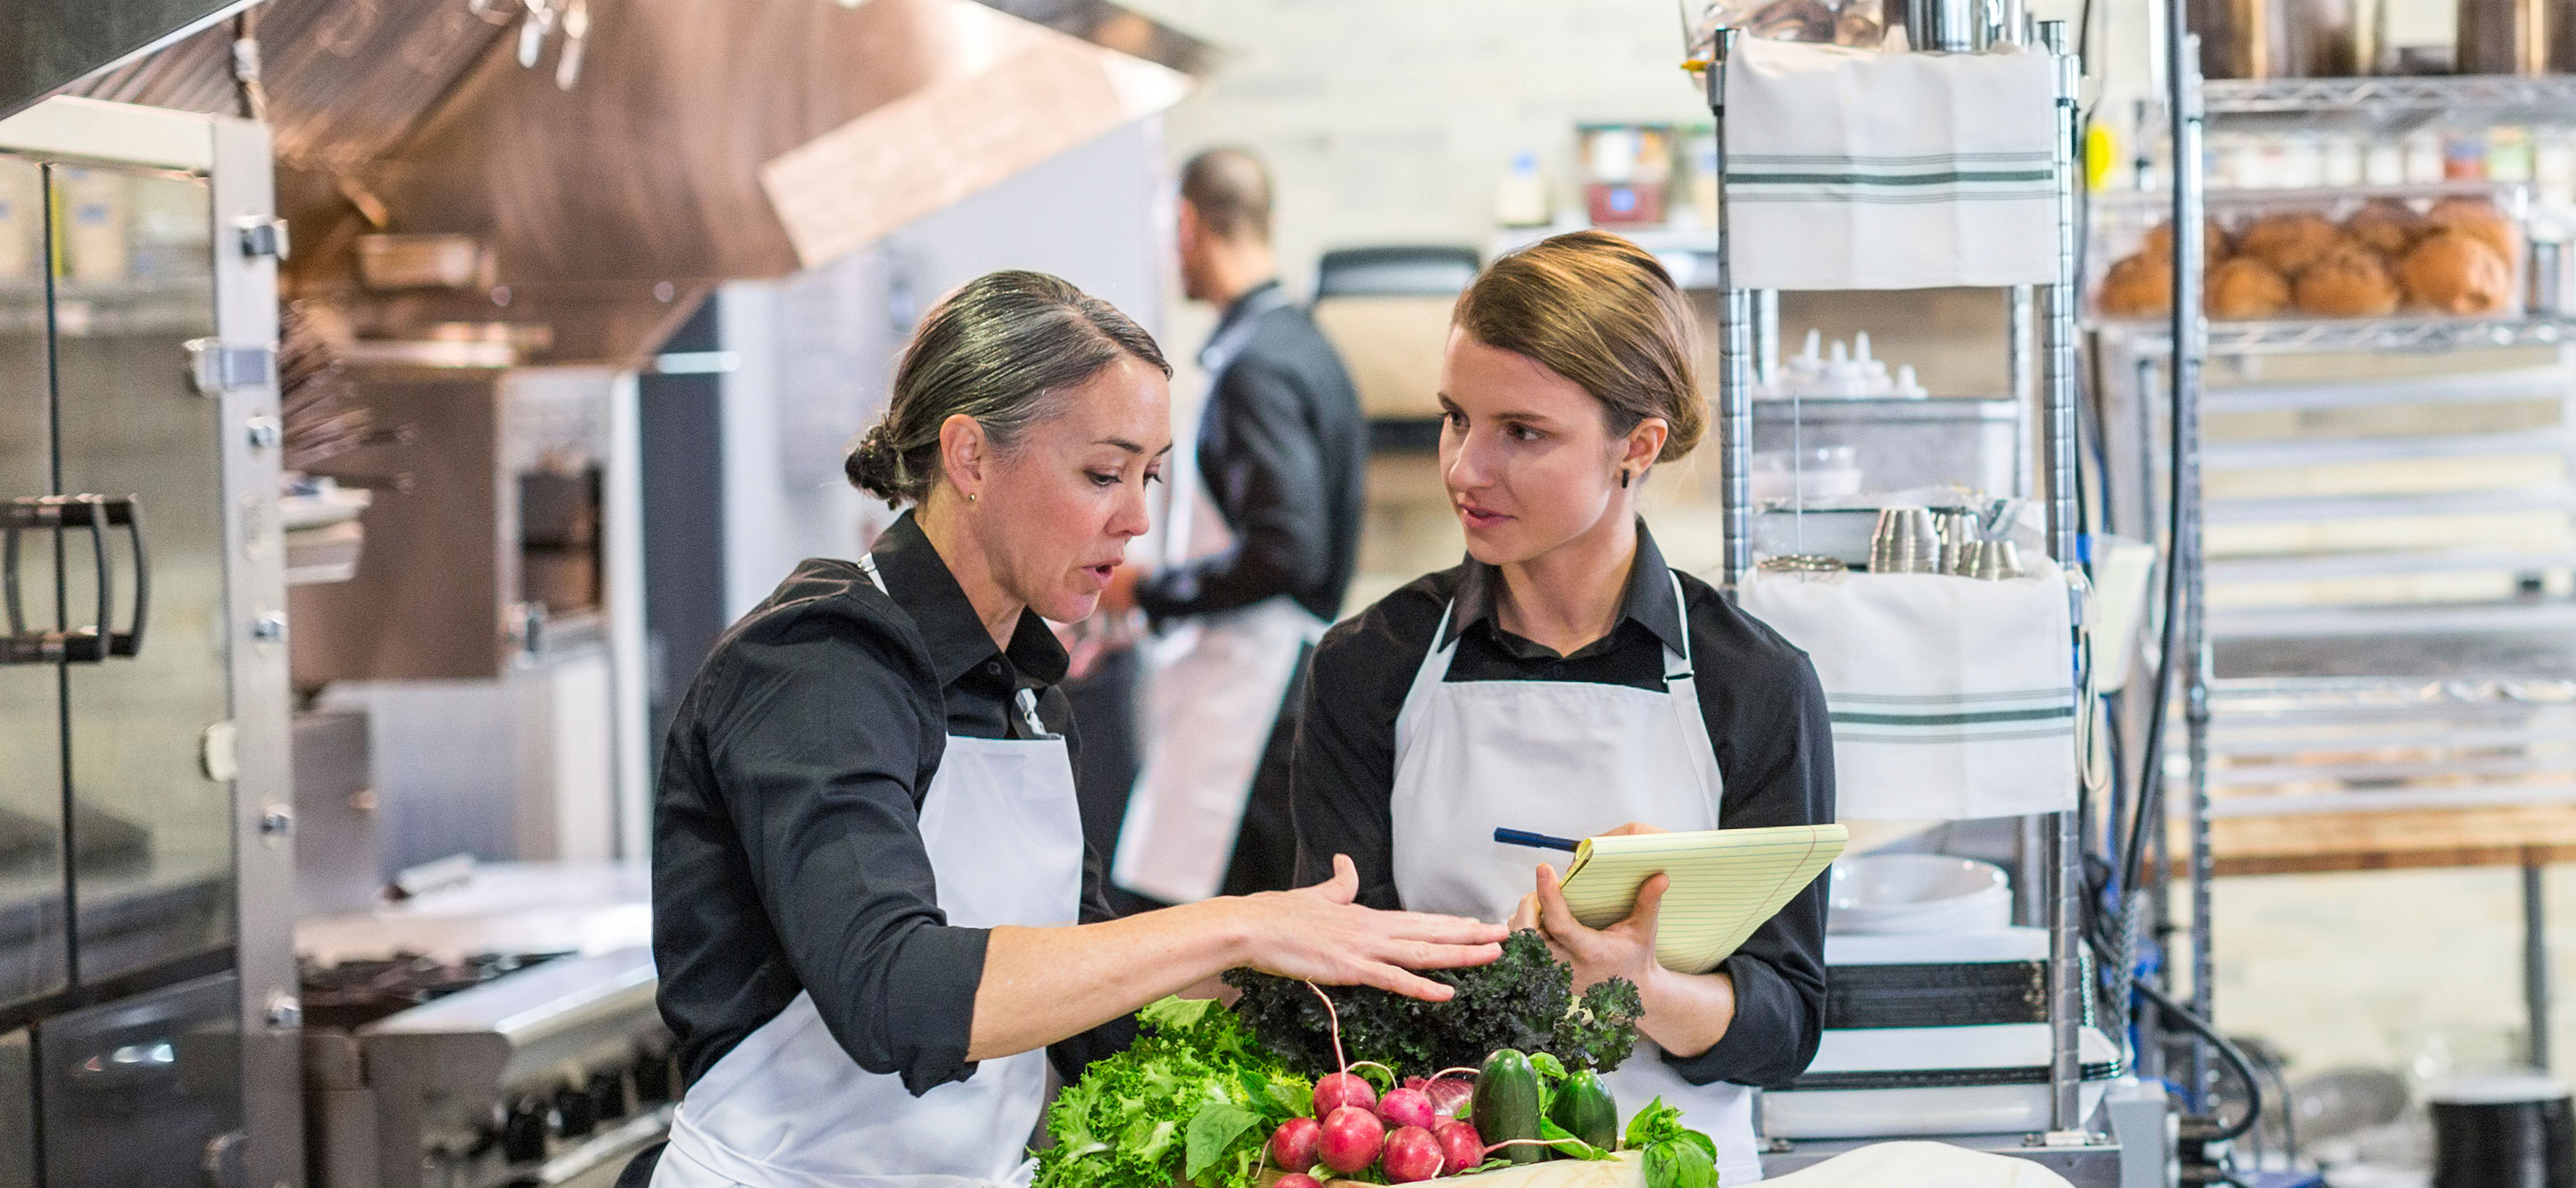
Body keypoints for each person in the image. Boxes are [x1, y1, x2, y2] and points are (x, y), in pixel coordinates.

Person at [633, 271, 1503, 1188]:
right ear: (968, 456)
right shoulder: (818, 664)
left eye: (1149, 475)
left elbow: (1098, 1008)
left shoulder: (1027, 688)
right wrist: (1233, 925)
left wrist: (1340, 985)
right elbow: (894, 991)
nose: (1135, 521)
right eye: (1102, 473)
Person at [1286, 231, 1832, 1184]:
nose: (1464, 467)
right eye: (1457, 418)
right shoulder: (1366, 667)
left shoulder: (1756, 683)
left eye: (1521, 433)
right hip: (1439, 1166)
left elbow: (1784, 1022)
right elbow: (1331, 995)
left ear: (1638, 444)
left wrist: (1641, 989)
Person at [1097, 146, 1371, 905]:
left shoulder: (1256, 365)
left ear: (1186, 224)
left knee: (1225, 956)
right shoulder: (1301, 345)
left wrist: (1151, 590)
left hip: (1253, 698)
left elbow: (1286, 547)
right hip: (1262, 685)